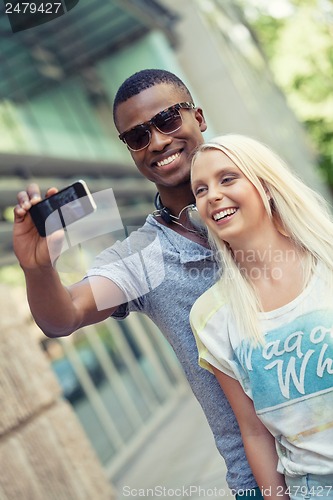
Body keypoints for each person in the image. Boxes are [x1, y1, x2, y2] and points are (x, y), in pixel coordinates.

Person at [13, 69, 262, 497]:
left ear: (198, 117)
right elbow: (64, 317)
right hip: (257, 480)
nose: (158, 142)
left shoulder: (266, 196)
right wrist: (38, 269)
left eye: (167, 120)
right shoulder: (143, 255)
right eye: (137, 136)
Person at [190, 134, 333, 499]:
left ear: (265, 186)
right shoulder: (211, 315)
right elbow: (253, 430)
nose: (212, 196)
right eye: (200, 190)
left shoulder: (328, 261)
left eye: (227, 179)